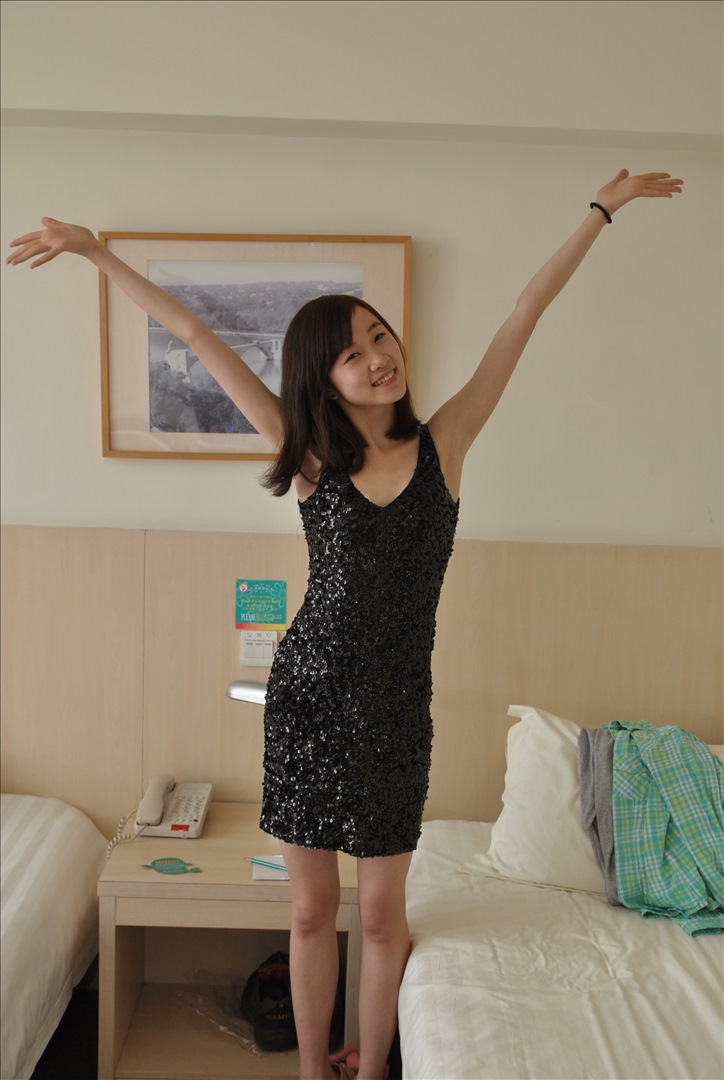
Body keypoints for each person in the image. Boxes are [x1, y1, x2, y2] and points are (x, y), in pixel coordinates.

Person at [7, 169, 683, 1079]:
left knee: (381, 916)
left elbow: (524, 311)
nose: (377, 358)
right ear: (323, 380)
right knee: (309, 911)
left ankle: (368, 1068)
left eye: (379, 337)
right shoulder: (314, 461)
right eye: (352, 354)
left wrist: (602, 212)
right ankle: (308, 1068)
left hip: (397, 714)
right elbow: (199, 337)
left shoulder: (446, 444)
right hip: (307, 704)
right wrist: (97, 254)